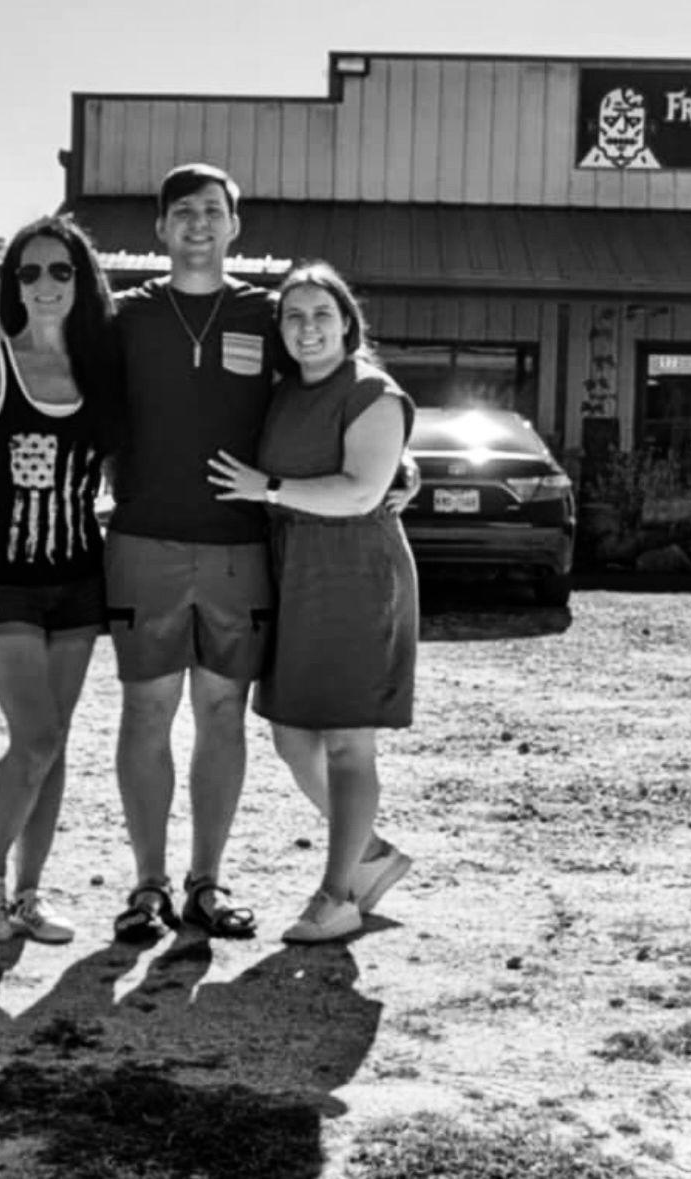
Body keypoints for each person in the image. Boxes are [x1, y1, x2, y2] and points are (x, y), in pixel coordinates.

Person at [207, 261, 418, 943]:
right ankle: (369, 853)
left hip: (356, 572)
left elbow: (361, 491)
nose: (308, 327)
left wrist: (267, 488)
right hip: (294, 572)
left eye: (322, 313)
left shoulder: (371, 391)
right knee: (293, 735)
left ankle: (337, 895)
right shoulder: (284, 392)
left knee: (349, 742)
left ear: (347, 322)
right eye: (293, 316)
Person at [104, 163, 278, 942]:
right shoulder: (126, 316)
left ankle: (206, 881)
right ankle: (147, 885)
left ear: (234, 225)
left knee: (220, 711)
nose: (198, 224)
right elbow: (58, 378)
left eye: (212, 210)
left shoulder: (268, 313)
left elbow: (334, 380)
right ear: (160, 227)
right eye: (183, 211)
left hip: (240, 548)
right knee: (146, 709)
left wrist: (392, 452)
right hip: (143, 542)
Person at [0, 214, 117, 944]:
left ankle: (28, 896)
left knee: (55, 743)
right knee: (35, 738)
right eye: (30, 271)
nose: (45, 284)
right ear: (14, 285)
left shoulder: (102, 372)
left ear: (81, 280)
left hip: (77, 580)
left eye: (60, 270)